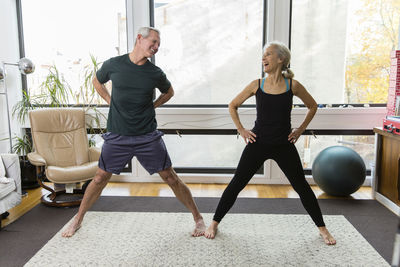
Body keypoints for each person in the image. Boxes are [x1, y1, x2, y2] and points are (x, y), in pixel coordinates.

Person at [62, 26, 206, 238]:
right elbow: (97, 81)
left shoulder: (155, 73)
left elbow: (169, 92)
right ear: (139, 38)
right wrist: (110, 102)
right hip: (118, 134)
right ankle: (77, 220)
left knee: (170, 177)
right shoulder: (114, 65)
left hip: (147, 135)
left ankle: (198, 219)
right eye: (153, 42)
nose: (156, 47)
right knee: (100, 177)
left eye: (158, 44)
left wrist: (153, 106)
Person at [204, 41, 336, 245]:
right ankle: (214, 222)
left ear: (281, 59)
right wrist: (241, 129)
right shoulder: (257, 84)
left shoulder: (293, 85)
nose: (263, 58)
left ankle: (323, 229)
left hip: (284, 145)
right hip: (258, 143)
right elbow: (233, 105)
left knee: (302, 187)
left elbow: (312, 106)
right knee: (237, 183)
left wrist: (300, 130)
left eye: (268, 55)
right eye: (263, 55)